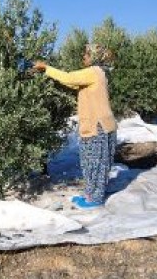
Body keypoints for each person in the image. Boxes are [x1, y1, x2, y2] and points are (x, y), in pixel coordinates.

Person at [32, 44, 117, 210]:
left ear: (94, 57)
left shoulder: (92, 72)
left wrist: (46, 68)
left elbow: (69, 78)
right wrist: (49, 74)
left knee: (94, 163)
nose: (83, 57)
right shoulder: (100, 72)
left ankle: (95, 199)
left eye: (86, 54)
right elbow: (74, 84)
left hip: (97, 125)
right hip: (103, 124)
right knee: (96, 162)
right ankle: (92, 194)